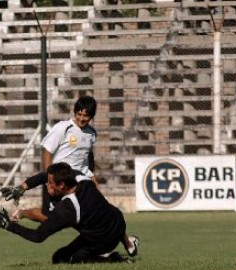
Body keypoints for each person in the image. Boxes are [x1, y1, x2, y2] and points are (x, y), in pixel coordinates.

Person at [7, 95, 139, 256]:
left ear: (91, 116)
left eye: (86, 116)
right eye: (79, 114)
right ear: (74, 112)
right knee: (50, 217)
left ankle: (126, 242)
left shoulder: (91, 133)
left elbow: (88, 156)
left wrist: (92, 176)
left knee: (103, 210)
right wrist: (51, 179)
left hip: (80, 181)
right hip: (61, 181)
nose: (82, 119)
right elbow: (47, 151)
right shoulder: (63, 128)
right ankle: (22, 213)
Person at [0, 162, 136, 264]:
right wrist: (21, 188)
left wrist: (9, 226)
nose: (47, 185)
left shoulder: (69, 208)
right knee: (109, 214)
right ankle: (128, 243)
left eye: (50, 183)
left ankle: (111, 259)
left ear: (61, 185)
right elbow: (46, 176)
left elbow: (38, 236)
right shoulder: (80, 177)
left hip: (103, 240)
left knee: (62, 258)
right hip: (118, 222)